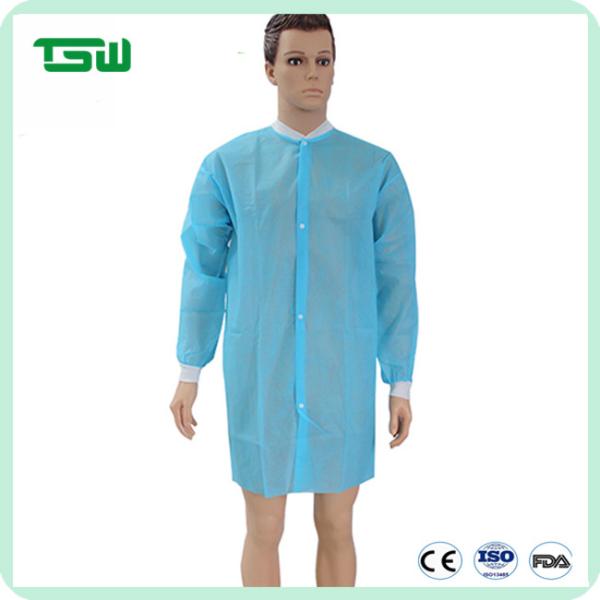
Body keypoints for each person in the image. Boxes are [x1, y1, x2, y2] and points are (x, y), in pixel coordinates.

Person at [169, 14, 418, 587]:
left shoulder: (374, 169)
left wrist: (399, 380)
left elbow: (396, 278)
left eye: (323, 61)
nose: (312, 74)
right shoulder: (228, 166)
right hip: (263, 369)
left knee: (337, 523)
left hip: (341, 372)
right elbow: (203, 271)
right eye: (297, 60)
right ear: (269, 69)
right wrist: (189, 370)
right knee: (264, 525)